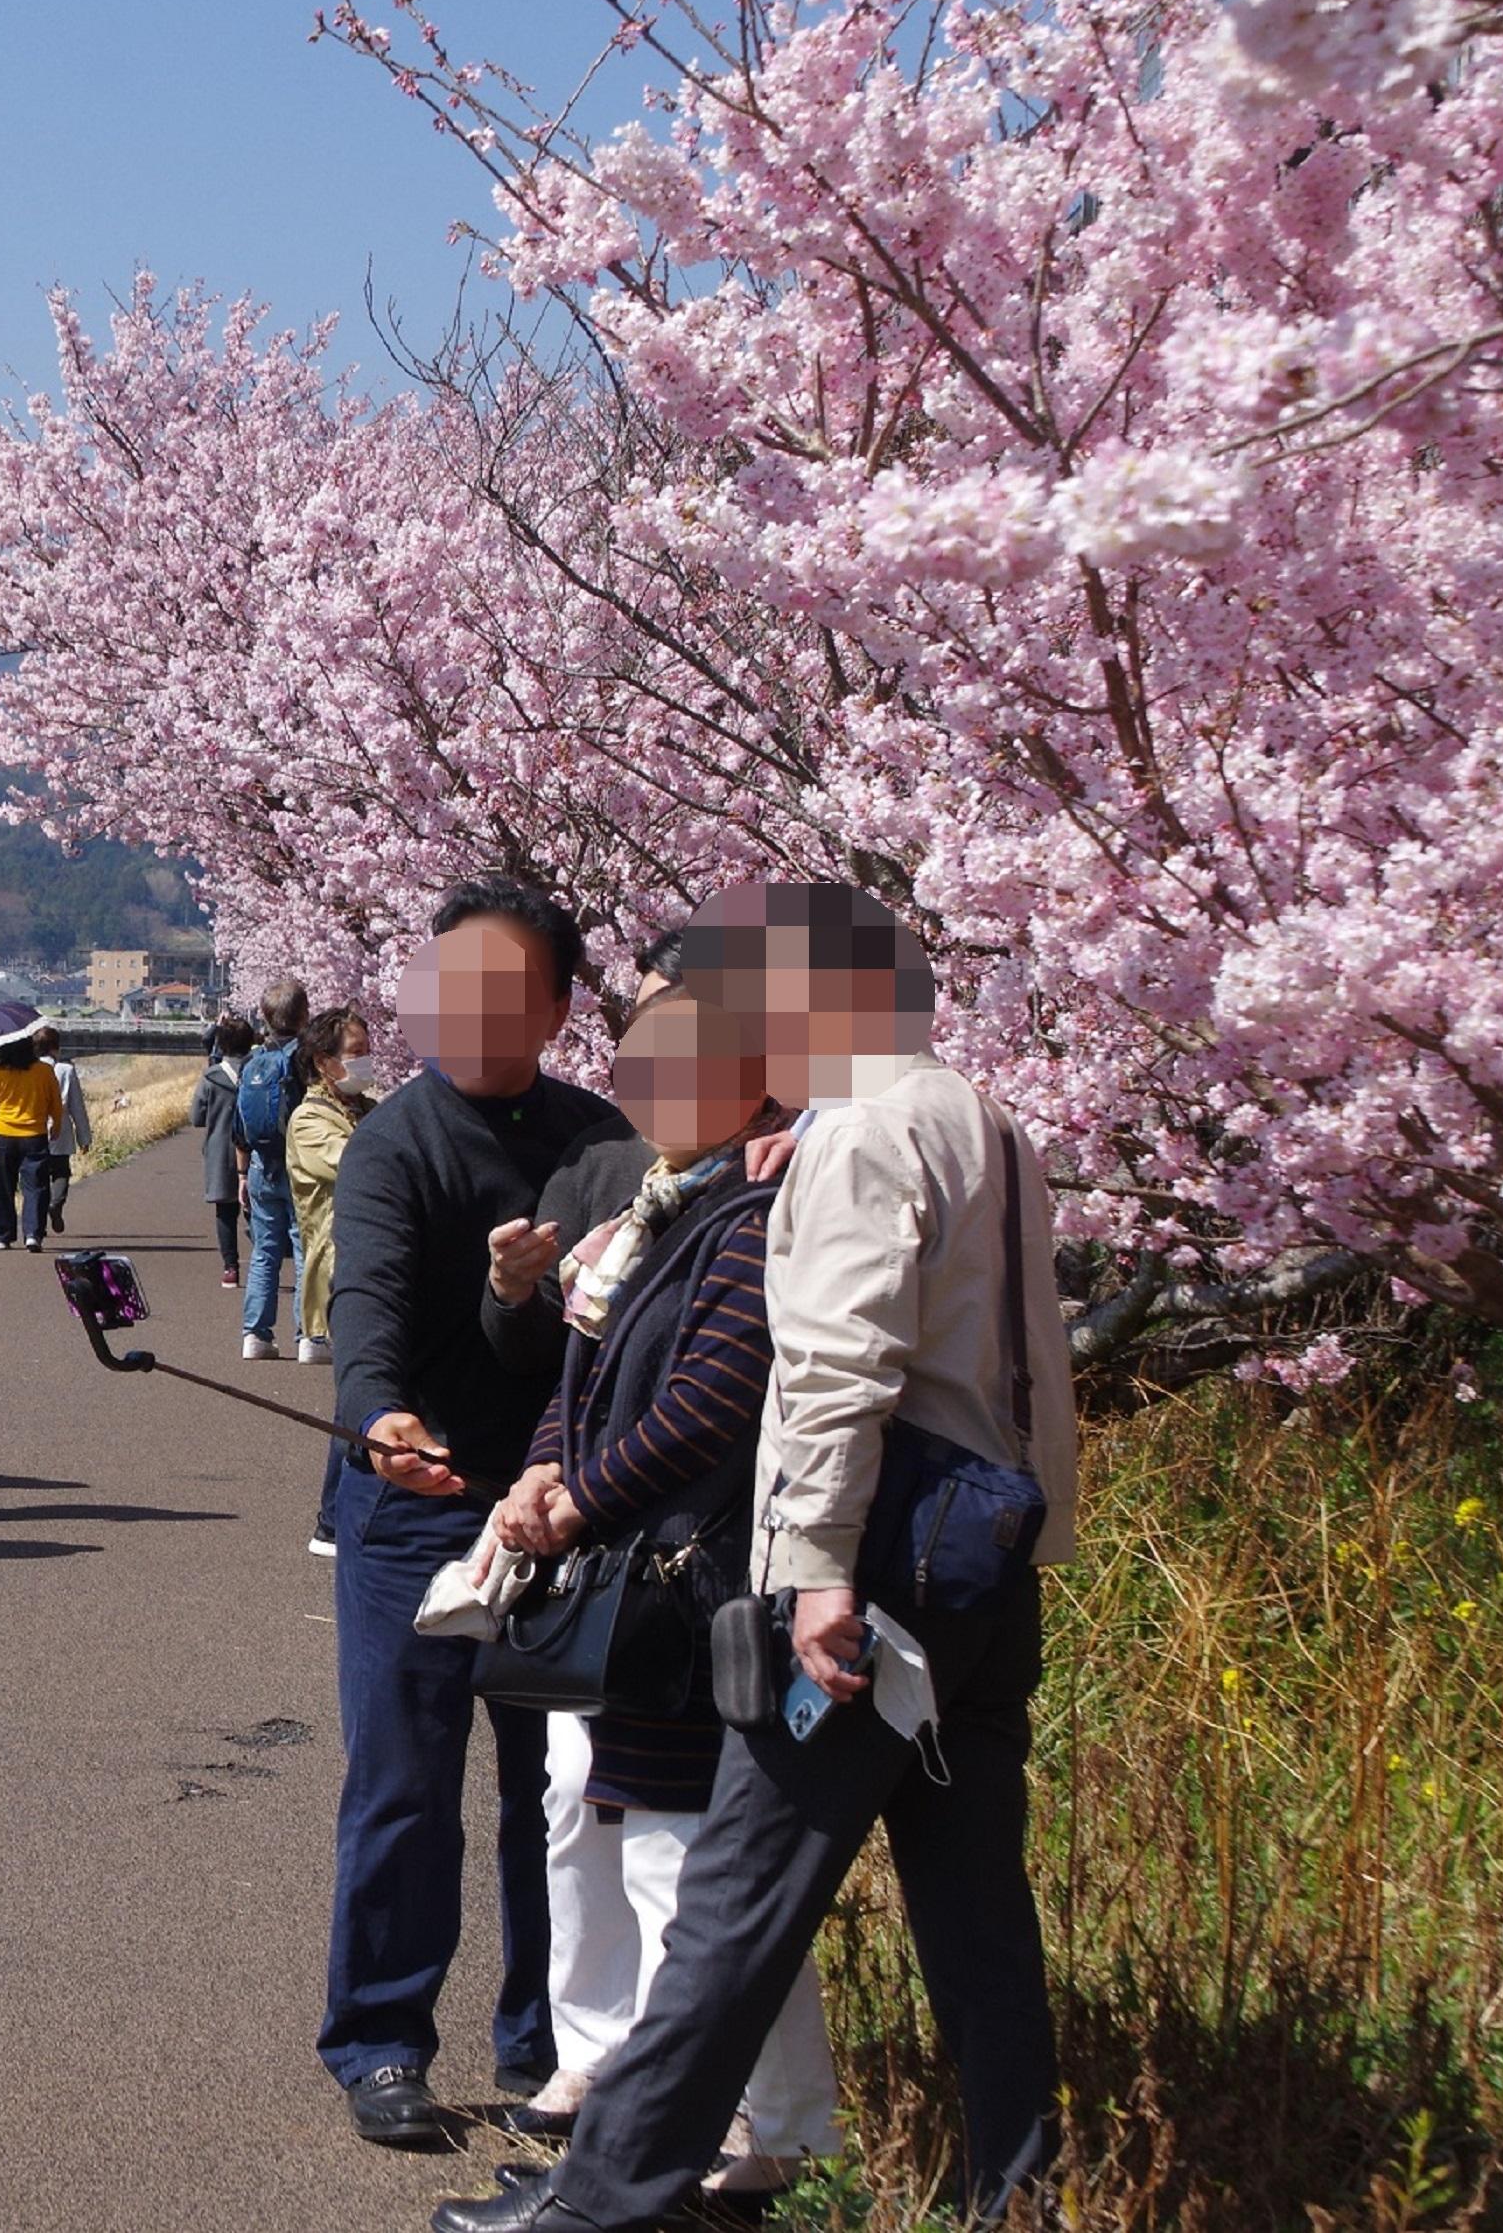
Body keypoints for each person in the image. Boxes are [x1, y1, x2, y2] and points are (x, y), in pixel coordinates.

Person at [444, 882, 1079, 2233]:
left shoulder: (855, 1138)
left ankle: (609, 2201)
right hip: (991, 1554)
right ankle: (1017, 2191)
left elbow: (839, 1374)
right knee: (974, 1908)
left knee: (736, 1893)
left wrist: (819, 1573)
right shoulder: (982, 1119)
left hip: (882, 1560)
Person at [476, 981, 836, 2209]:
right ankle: (737, 2123)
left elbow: (714, 1400)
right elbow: (591, 1377)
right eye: (638, 1061)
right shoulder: (657, 1205)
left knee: (691, 1873)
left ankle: (713, 2140)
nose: (653, 1084)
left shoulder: (753, 1204)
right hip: (643, 1571)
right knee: (668, 1857)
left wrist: (574, 1502)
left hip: (699, 1585)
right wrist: (537, 1469)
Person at [320, 880, 629, 2148]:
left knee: (553, 1789)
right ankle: (381, 2043)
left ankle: (547, 2039)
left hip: (556, 1508)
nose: (464, 1012)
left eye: (499, 990)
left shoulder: (604, 1139)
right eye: (444, 987)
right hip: (412, 1500)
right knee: (403, 1781)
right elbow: (366, 1307)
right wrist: (379, 1417)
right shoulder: (398, 1138)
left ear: (557, 1006)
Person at [288, 1005, 375, 1555]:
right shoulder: (311, 1120)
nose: (366, 1063)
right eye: (355, 1054)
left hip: (376, 1264)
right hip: (345, 1269)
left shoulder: (363, 1108)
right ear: (324, 1063)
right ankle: (331, 1521)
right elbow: (361, 1164)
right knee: (356, 1398)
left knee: (368, 1394)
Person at [235, 978, 309, 1358]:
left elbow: (239, 1126)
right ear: (304, 1015)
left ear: (264, 1016)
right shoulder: (306, 1061)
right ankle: (309, 1336)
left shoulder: (253, 1062)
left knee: (265, 1251)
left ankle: (256, 1336)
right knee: (304, 1250)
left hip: (263, 1166)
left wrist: (243, 1173)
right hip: (302, 1167)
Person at [0, 1033, 62, 1251]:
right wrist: (57, 1127)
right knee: (36, 1186)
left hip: (4, 1135)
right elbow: (55, 1103)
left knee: (3, 1185)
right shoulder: (44, 1071)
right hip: (35, 1135)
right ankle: (33, 1234)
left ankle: (3, 1236)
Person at [194, 1013, 253, 1288]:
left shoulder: (211, 1077)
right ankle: (265, 1260)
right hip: (256, 1149)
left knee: (225, 1211)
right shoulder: (259, 1070)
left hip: (220, 1149)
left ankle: (231, 1267)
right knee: (259, 1209)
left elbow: (196, 1116)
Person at [33, 1024, 95, 1237]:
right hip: (60, 1130)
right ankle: (56, 1203)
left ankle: (37, 1226)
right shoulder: (66, 1070)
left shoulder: (29, 1070)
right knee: (61, 1172)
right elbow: (77, 1106)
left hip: (33, 1129)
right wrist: (84, 1136)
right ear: (55, 1047)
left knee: (37, 1178)